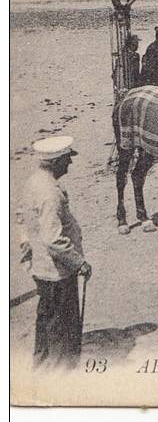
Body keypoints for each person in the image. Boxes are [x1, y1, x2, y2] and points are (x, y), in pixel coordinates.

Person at [18, 136, 91, 369]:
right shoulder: (50, 193)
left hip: (41, 267)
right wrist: (79, 263)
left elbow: (21, 219)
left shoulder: (33, 182)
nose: (69, 164)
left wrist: (28, 250)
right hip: (58, 270)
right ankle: (59, 376)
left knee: (46, 318)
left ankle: (40, 366)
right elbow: (53, 239)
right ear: (56, 162)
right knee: (62, 325)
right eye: (67, 159)